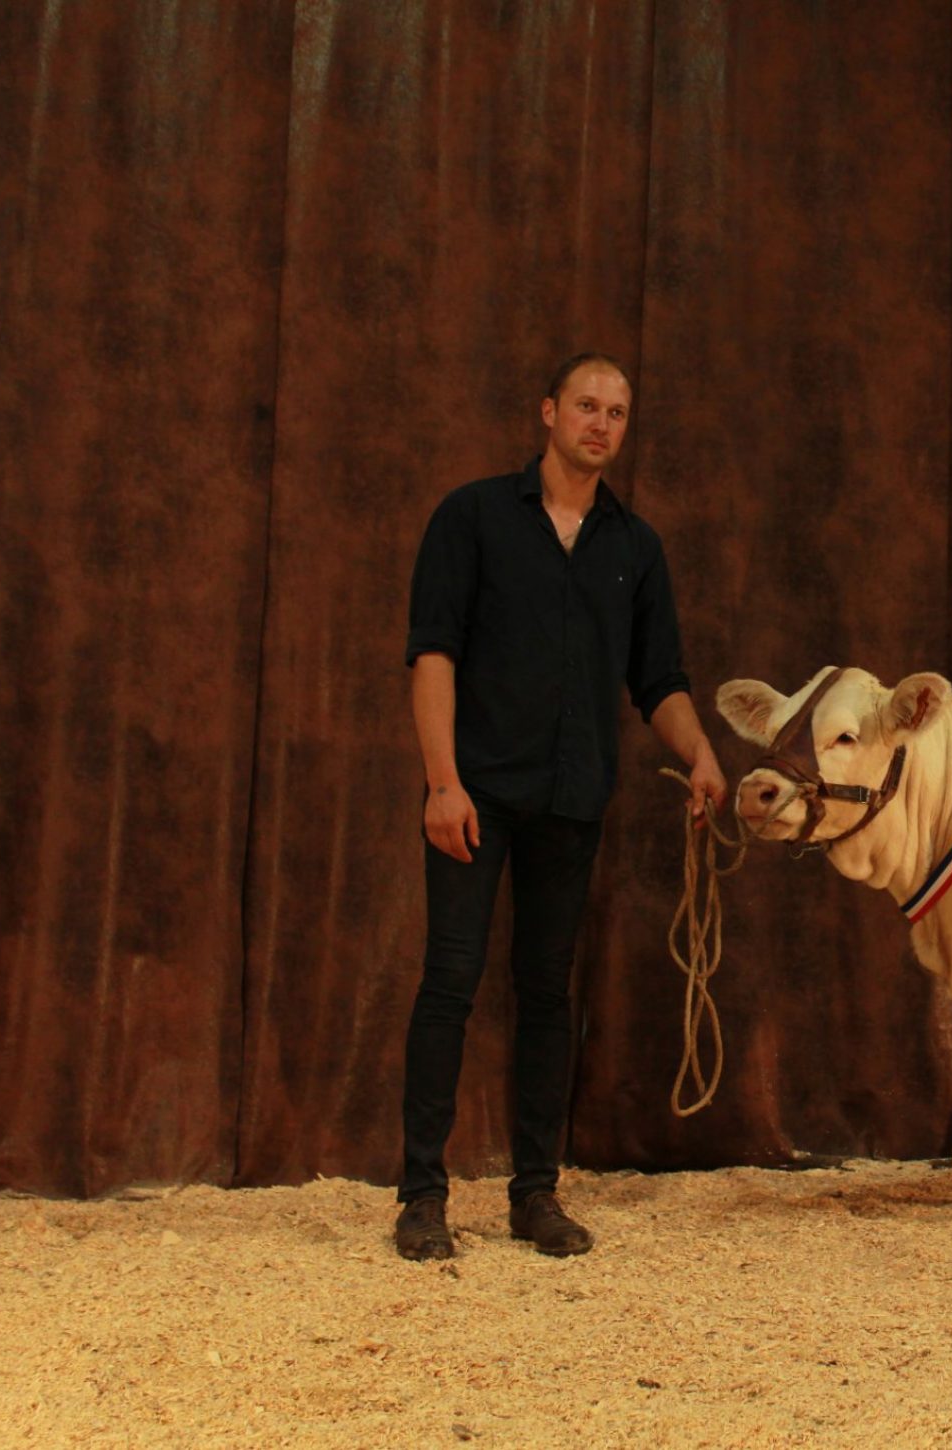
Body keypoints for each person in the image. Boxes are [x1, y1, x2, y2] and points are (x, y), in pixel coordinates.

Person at [394, 352, 727, 1260]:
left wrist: (699, 754)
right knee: (450, 984)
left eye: (617, 413)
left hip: (572, 801)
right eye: (586, 405)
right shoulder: (471, 519)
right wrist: (441, 781)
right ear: (548, 412)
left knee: (547, 995)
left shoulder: (635, 548)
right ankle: (422, 1197)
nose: (601, 424)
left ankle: (534, 1195)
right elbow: (434, 655)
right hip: (475, 795)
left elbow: (657, 679)